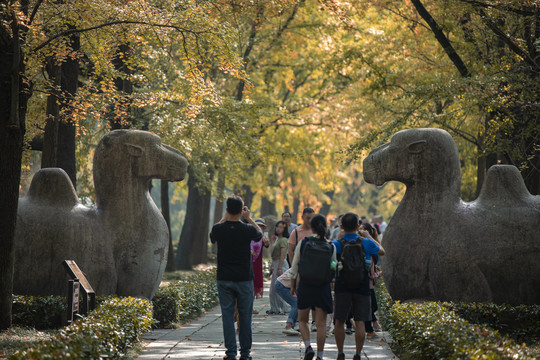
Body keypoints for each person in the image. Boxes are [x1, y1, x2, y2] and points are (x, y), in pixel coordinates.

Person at [210, 195, 262, 360]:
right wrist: (249, 218)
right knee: (245, 316)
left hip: (224, 277)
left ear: (226, 209)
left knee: (227, 315)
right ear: (241, 210)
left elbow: (213, 233)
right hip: (244, 278)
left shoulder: (219, 229)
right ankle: (245, 354)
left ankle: (230, 353)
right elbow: (260, 234)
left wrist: (226, 217)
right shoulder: (247, 229)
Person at [332, 213, 385, 360]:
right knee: (360, 321)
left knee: (340, 321)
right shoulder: (366, 242)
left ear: (341, 226)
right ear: (357, 226)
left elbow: (330, 261)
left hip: (342, 286)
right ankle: (358, 353)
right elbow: (382, 251)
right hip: (362, 286)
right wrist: (369, 236)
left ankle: (341, 352)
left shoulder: (337, 244)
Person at [290, 214, 337, 360]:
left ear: (312, 227)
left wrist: (293, 286)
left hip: (305, 285)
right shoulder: (331, 246)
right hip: (322, 288)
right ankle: (320, 356)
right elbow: (334, 267)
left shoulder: (304, 243)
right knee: (321, 324)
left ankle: (308, 347)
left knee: (303, 320)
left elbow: (294, 267)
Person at [360, 223, 383, 335]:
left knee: (372, 305)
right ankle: (369, 328)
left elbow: (380, 252)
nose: (359, 231)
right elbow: (382, 250)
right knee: (370, 305)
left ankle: (369, 326)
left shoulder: (368, 242)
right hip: (365, 279)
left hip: (369, 281)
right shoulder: (364, 242)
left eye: (362, 229)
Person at [268, 220, 290, 315]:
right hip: (276, 263)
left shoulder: (284, 240)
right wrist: (272, 265)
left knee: (279, 287)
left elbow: (282, 255)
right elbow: (274, 255)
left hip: (281, 264)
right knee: (273, 288)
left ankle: (283, 308)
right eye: (277, 226)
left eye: (281, 227)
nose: (278, 229)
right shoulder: (276, 239)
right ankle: (274, 308)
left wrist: (279, 268)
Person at [274, 268, 300, 335]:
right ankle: (288, 326)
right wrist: (294, 289)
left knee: (297, 303)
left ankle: (292, 326)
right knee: (296, 303)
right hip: (281, 285)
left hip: (283, 284)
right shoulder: (304, 264)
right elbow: (295, 278)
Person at [251, 218, 270, 302]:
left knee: (255, 284)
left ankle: (250, 307)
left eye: (261, 226)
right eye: (257, 226)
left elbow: (267, 245)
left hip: (257, 265)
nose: (259, 227)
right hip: (248, 264)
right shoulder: (249, 235)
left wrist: (267, 242)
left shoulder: (263, 237)